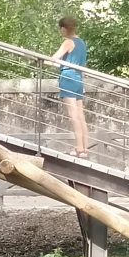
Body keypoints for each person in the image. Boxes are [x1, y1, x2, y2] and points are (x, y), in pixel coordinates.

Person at [50, 17, 90, 158]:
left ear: (64, 28)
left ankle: (79, 147)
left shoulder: (68, 42)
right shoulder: (82, 43)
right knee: (80, 115)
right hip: (78, 78)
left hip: (68, 77)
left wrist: (55, 63)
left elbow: (54, 58)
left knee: (73, 115)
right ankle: (84, 148)